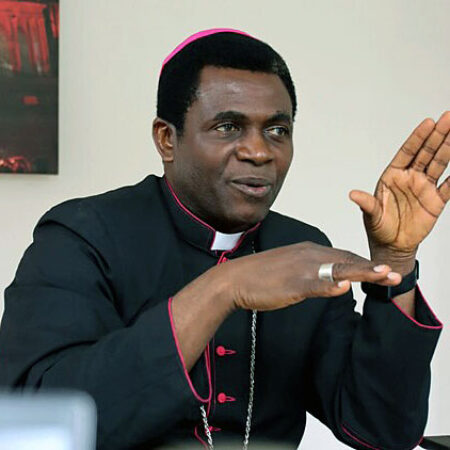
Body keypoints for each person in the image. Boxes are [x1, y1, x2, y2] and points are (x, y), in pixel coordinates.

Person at [0, 29, 448, 450]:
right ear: (167, 139)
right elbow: (42, 424)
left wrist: (397, 261)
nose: (259, 151)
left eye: (277, 130)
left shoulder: (301, 248)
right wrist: (224, 288)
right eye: (228, 126)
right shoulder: (82, 236)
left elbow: (382, 430)